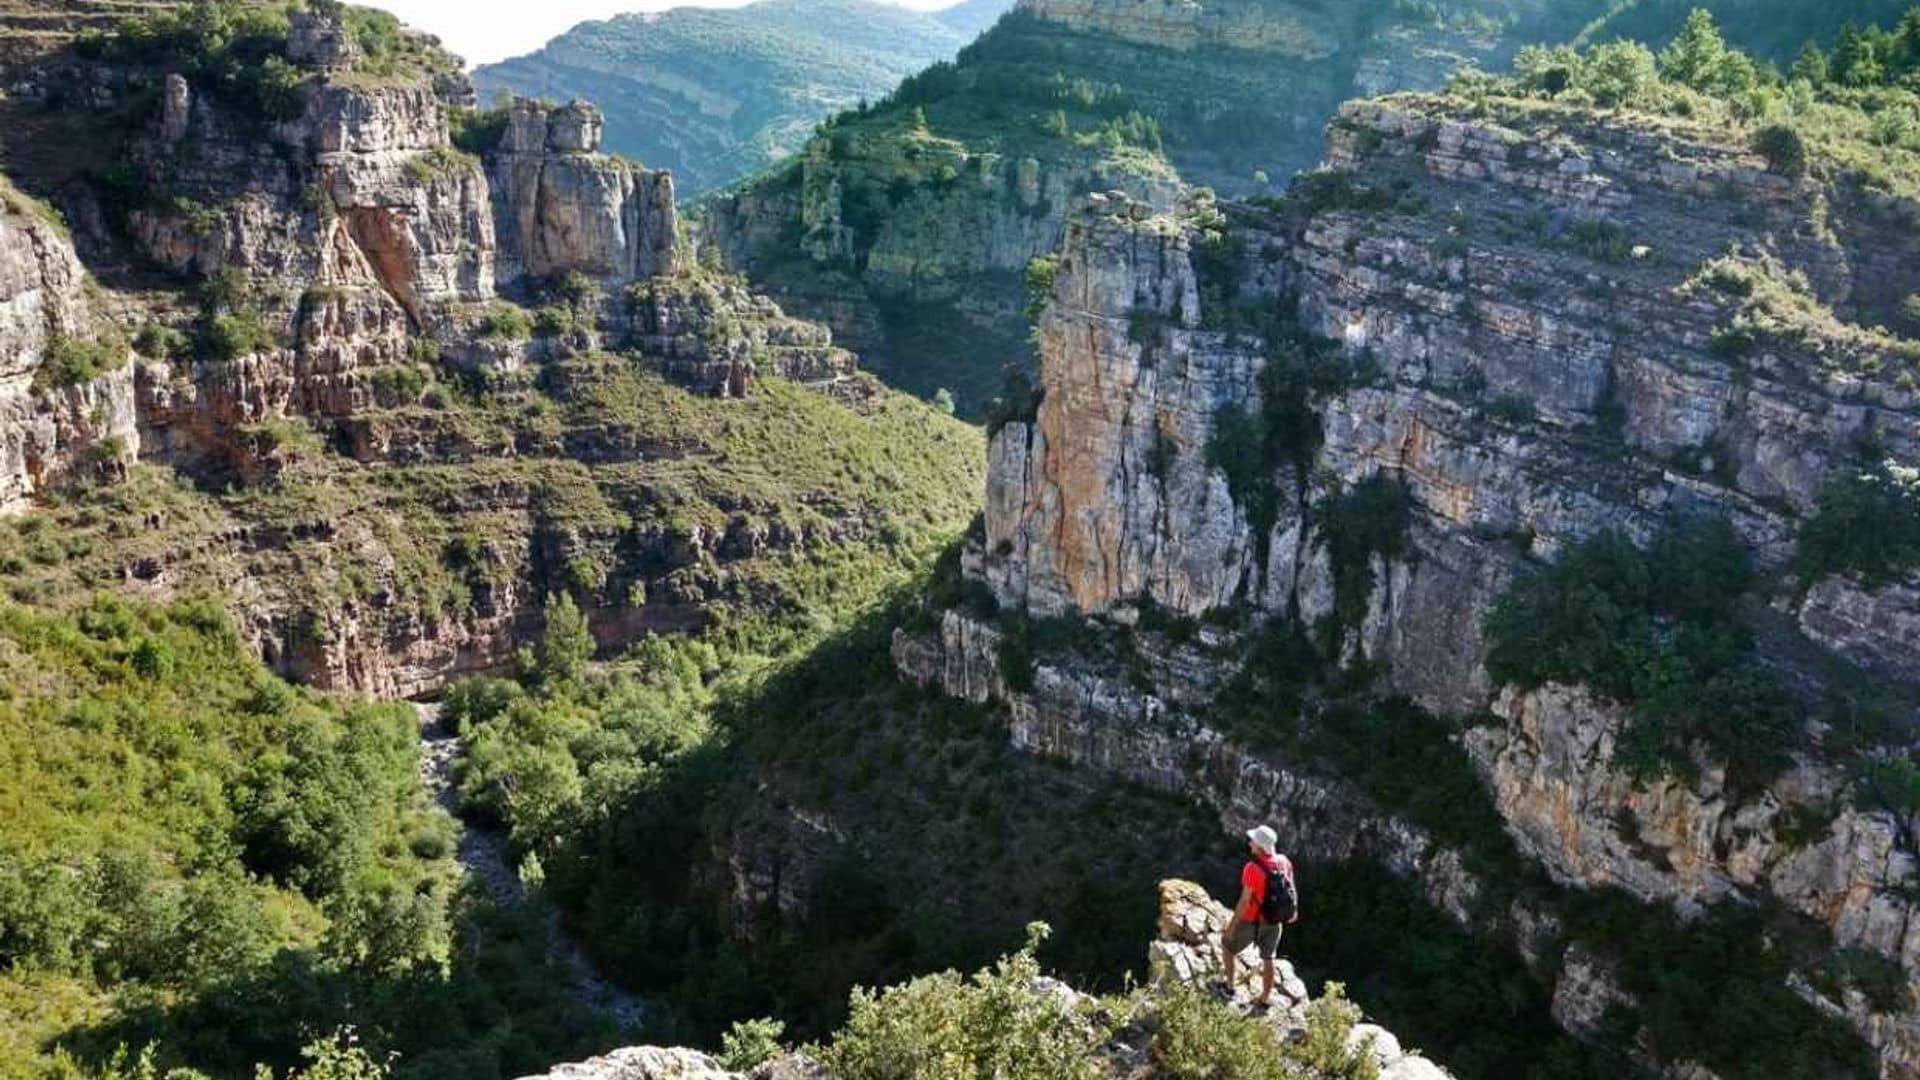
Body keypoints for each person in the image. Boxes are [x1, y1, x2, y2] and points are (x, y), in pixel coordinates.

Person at [1219, 824, 1297, 1008]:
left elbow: (1244, 901)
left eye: (1253, 841)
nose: (1250, 842)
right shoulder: (1285, 862)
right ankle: (1265, 997)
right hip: (1275, 920)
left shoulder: (1252, 868)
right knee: (1268, 958)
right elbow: (1291, 888)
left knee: (1227, 947)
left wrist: (1231, 928)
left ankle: (1229, 987)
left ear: (1260, 846)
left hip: (1252, 921)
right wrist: (1293, 912)